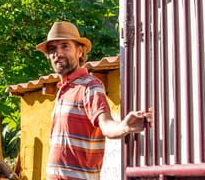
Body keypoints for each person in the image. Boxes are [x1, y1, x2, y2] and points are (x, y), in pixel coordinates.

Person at [36, 21, 153, 180]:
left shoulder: (90, 86)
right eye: (52, 49)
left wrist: (124, 126)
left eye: (65, 46)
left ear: (79, 51)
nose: (58, 53)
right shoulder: (62, 90)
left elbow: (106, 125)